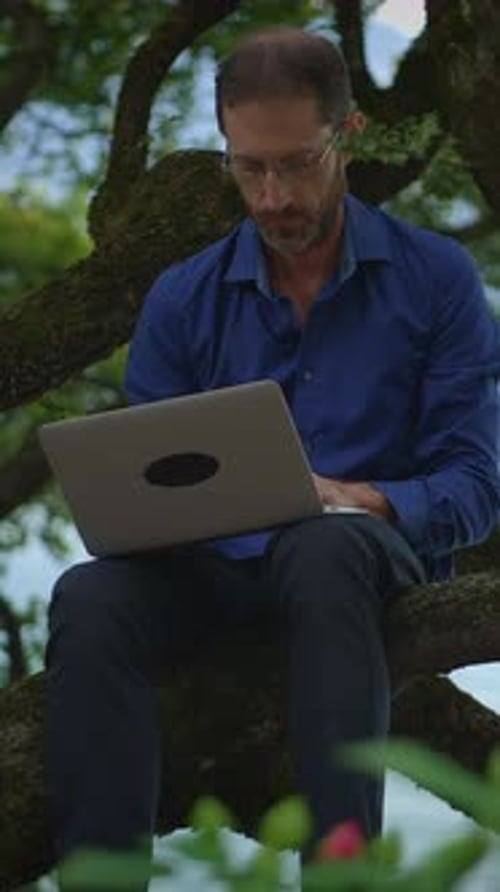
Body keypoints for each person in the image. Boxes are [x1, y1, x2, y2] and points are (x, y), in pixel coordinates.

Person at [45, 25, 500, 887]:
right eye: (249, 168)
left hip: (361, 561)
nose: (272, 194)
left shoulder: (437, 279)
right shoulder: (182, 297)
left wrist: (356, 498)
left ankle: (342, 872)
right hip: (213, 574)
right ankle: (101, 878)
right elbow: (147, 477)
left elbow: (475, 487)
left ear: (349, 136)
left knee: (320, 542)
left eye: (295, 164)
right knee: (88, 595)